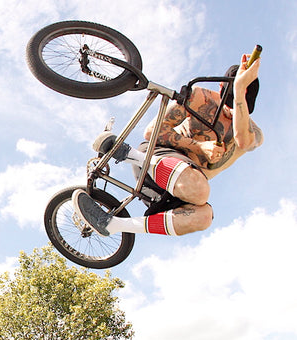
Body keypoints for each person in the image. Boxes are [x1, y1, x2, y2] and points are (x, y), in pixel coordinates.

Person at [71, 52, 263, 238]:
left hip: (180, 187)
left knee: (204, 217)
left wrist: (239, 93)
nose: (230, 110)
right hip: (156, 159)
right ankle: (125, 152)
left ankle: (112, 225)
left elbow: (243, 140)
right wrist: (198, 147)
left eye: (239, 104)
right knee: (201, 189)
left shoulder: (252, 133)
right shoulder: (200, 97)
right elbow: (152, 131)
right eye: (227, 101)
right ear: (221, 85)